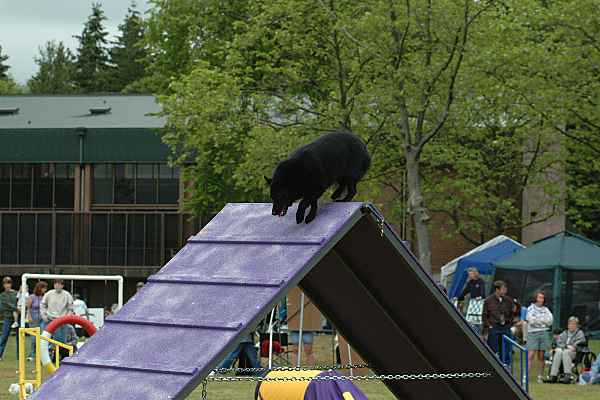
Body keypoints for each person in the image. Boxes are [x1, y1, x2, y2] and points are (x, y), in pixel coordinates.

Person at [544, 316, 586, 384]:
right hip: (564, 350)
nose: (571, 326)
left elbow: (581, 342)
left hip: (575, 353)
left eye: (573, 324)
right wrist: (566, 346)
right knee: (559, 351)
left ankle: (567, 375)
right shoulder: (565, 333)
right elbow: (559, 342)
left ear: (577, 325)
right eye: (570, 324)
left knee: (565, 352)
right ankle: (553, 375)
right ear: (568, 325)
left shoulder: (580, 333)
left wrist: (574, 346)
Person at [481, 280, 513, 364]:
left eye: (506, 289)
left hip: (505, 327)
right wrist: (488, 326)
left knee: (506, 350)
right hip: (494, 327)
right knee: (493, 350)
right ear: (497, 290)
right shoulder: (488, 300)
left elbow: (512, 313)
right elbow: (484, 315)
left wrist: (509, 324)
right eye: (503, 289)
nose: (505, 291)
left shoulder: (508, 300)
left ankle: (505, 366)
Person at [526, 291, 553, 383]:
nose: (541, 299)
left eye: (542, 298)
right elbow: (531, 320)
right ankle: (526, 376)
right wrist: (542, 321)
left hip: (544, 333)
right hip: (532, 333)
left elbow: (550, 321)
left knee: (541, 356)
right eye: (539, 297)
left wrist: (538, 321)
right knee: (530, 355)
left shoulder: (546, 310)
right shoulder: (530, 308)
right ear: (536, 298)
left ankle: (540, 377)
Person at [40, 280, 74, 345]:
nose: (57, 286)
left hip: (62, 320)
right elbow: (43, 305)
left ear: (62, 285)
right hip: (49, 320)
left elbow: (71, 308)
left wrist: (67, 318)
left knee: (61, 341)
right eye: (55, 284)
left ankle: (60, 351)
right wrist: (43, 316)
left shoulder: (67, 295)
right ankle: (49, 350)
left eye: (59, 284)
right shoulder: (49, 293)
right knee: (45, 340)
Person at [26, 281, 48, 361]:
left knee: (42, 337)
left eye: (45, 288)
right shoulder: (32, 297)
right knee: (34, 339)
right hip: (33, 319)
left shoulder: (45, 297)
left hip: (42, 319)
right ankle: (32, 355)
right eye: (43, 288)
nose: (45, 289)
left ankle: (40, 355)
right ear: (39, 288)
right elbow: (28, 308)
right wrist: (29, 317)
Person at [0, 277, 19, 360]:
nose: (7, 285)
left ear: (11, 284)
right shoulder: (2, 295)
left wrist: (16, 308)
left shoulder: (16, 293)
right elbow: (5, 305)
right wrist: (16, 309)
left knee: (19, 338)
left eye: (8, 283)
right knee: (4, 336)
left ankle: (19, 356)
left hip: (17, 318)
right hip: (7, 318)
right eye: (5, 283)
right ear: (3, 285)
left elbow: (19, 302)